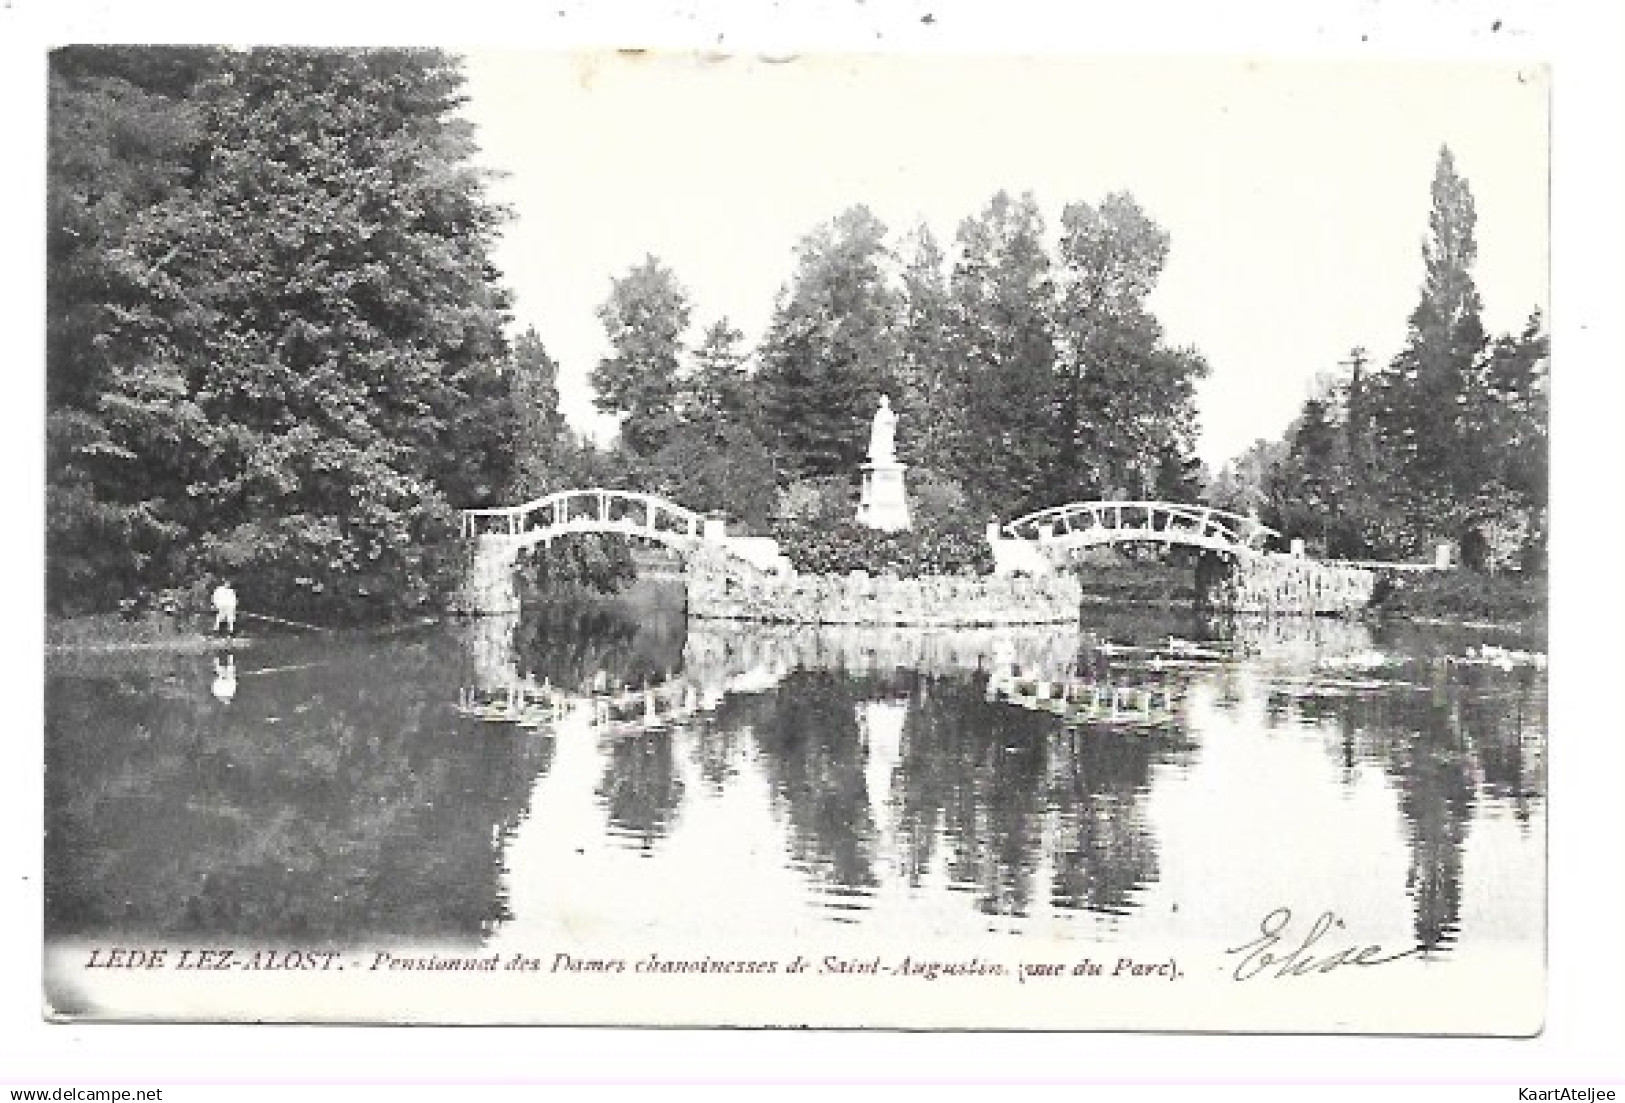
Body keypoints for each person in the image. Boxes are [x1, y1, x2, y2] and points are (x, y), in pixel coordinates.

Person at [869, 395, 897, 464]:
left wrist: (893, 421)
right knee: (881, 444)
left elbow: (892, 423)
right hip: (881, 433)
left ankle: (887, 456)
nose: (885, 403)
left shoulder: (890, 412)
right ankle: (880, 456)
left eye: (886, 401)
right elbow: (876, 425)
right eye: (883, 402)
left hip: (887, 433)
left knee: (887, 445)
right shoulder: (879, 413)